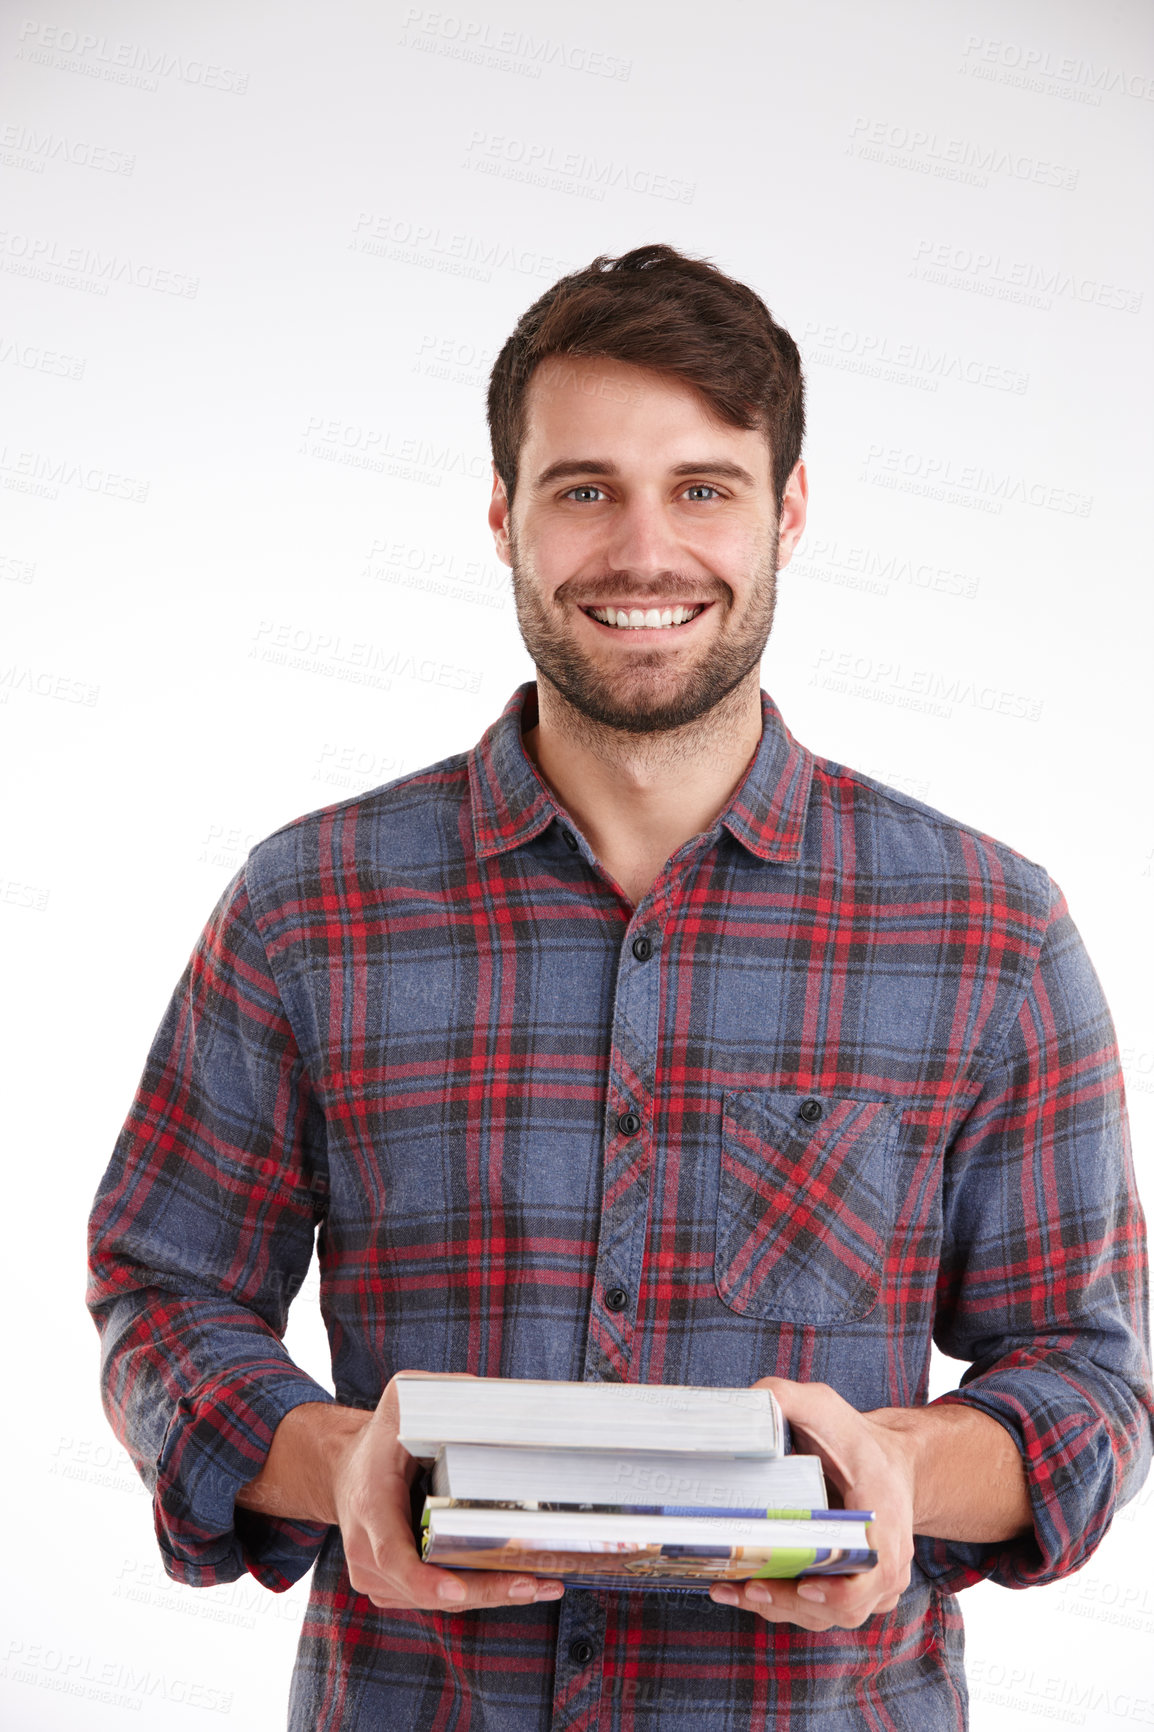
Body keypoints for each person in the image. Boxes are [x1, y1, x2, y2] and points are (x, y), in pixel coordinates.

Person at [87, 243, 1152, 1731]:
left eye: (702, 487)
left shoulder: (984, 929)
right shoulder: (305, 907)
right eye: (583, 489)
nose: (643, 551)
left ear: (786, 511)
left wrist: (901, 1471)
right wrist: (346, 1469)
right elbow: (164, 1295)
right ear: (503, 521)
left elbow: (1088, 1379)